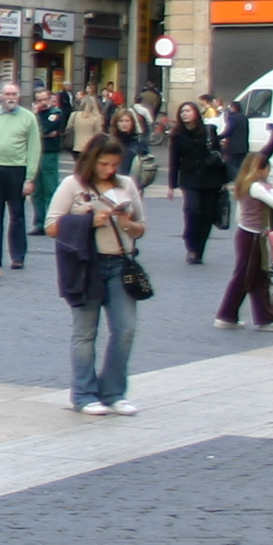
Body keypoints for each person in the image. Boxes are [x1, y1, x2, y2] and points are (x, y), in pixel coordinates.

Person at [49, 135, 146, 415]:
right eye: (104, 164)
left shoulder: (126, 184)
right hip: (86, 265)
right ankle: (83, 393)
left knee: (125, 330)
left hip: (120, 264)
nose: (109, 170)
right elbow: (52, 225)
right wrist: (89, 221)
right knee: (85, 332)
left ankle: (114, 391)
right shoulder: (72, 185)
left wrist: (127, 223)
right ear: (92, 161)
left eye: (115, 164)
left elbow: (141, 226)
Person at [214, 137, 273, 332]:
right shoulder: (256, 187)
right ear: (260, 169)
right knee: (245, 276)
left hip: (247, 233)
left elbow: (240, 214)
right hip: (252, 236)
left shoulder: (245, 186)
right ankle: (227, 315)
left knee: (257, 277)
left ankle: (262, 318)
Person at [0, 81, 38, 270]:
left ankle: (18, 256)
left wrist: (30, 178)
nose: (11, 98)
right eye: (8, 94)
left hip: (17, 169)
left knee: (17, 215)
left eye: (15, 94)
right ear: (0, 96)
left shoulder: (28, 118)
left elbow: (34, 148)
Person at [168, 102, 225, 265]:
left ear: (196, 113)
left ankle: (199, 250)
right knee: (192, 210)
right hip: (190, 178)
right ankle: (191, 245)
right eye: (182, 111)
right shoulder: (177, 135)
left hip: (211, 178)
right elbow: (174, 160)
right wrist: (171, 185)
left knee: (207, 216)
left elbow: (219, 155)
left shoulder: (209, 131)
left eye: (188, 110)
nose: (185, 114)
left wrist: (224, 180)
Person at [33, 85, 72, 220]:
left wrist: (40, 133)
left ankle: (52, 220)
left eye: (46, 99)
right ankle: (39, 222)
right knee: (36, 191)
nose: (44, 102)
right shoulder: (34, 115)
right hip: (35, 153)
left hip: (49, 154)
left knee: (50, 188)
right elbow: (31, 131)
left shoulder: (55, 113)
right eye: (40, 100)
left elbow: (47, 128)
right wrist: (36, 115)